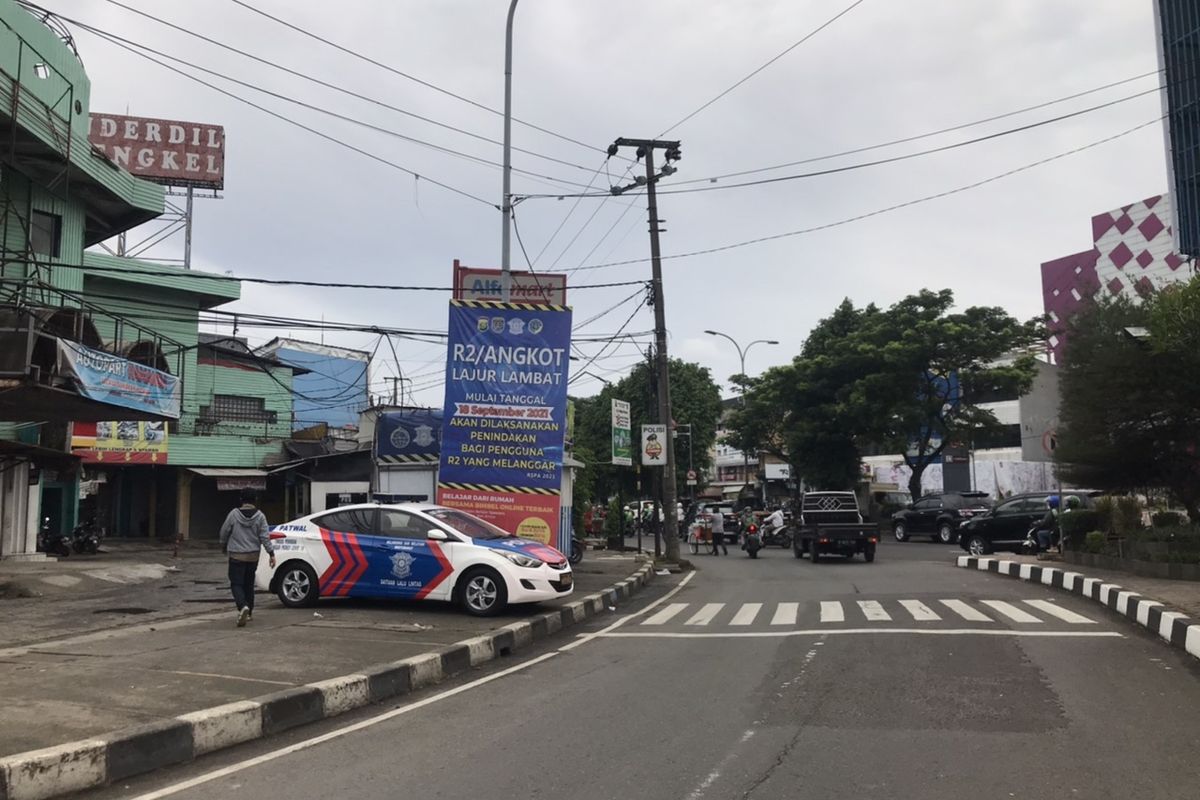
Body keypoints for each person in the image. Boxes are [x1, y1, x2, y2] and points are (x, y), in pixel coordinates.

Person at [219, 489, 275, 627]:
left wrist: (223, 544)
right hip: (253, 556)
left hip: (236, 555)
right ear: (255, 500)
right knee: (249, 584)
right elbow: (264, 536)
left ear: (241, 500)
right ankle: (249, 612)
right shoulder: (260, 516)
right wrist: (271, 553)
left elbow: (224, 531)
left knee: (236, 583)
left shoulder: (234, 514)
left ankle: (242, 606)